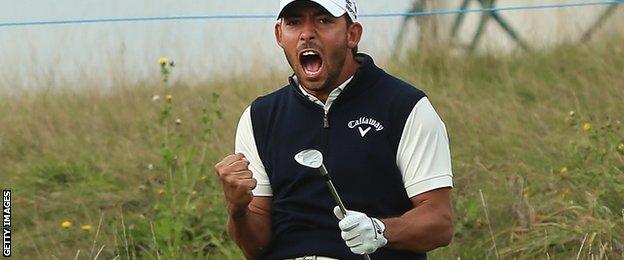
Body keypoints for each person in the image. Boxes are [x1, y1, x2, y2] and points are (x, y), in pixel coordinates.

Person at [214, 0, 454, 259]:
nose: (307, 34)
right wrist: (238, 210)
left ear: (353, 35)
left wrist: (381, 230)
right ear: (279, 35)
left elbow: (439, 222)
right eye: (294, 22)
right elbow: (255, 246)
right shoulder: (259, 117)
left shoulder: (405, 107)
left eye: (323, 20)